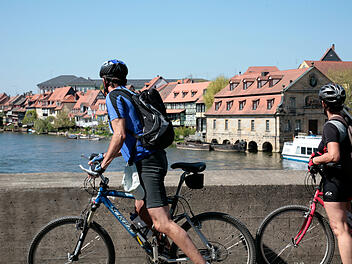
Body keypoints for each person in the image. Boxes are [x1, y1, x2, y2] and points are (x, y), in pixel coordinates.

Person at [89, 59, 208, 264]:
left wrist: (103, 166)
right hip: (152, 157)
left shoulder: (113, 97)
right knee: (140, 208)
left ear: (105, 80)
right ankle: (165, 251)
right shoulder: (131, 94)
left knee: (163, 223)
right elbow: (134, 139)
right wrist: (105, 155)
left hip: (148, 163)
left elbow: (119, 136)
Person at [308, 83, 352, 264]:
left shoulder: (330, 126)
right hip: (348, 179)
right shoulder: (346, 120)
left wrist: (315, 160)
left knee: (340, 229)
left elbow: (334, 155)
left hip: (337, 181)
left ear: (323, 104)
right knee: (348, 226)